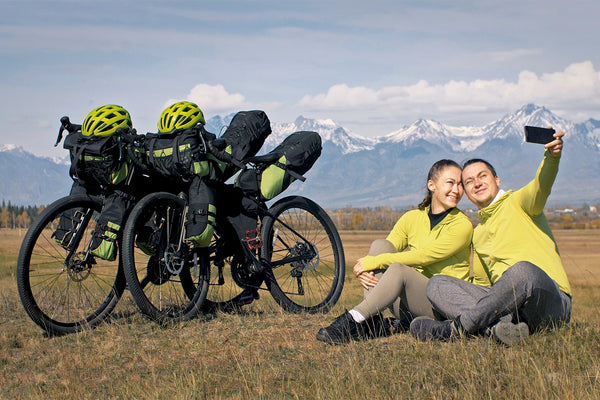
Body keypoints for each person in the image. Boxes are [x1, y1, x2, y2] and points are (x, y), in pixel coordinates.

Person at [410, 128, 572, 346]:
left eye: (482, 176)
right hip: (508, 310)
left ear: (497, 179)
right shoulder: (478, 234)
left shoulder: (520, 203)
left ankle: (458, 329)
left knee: (522, 271)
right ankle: (497, 330)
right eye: (468, 182)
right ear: (466, 193)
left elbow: (542, 185)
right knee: (437, 284)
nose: (476, 183)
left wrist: (551, 158)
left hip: (547, 302)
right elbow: (483, 286)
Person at [316, 159, 485, 344]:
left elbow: (424, 256)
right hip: (408, 303)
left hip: (441, 305)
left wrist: (373, 263)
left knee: (398, 268)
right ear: (432, 185)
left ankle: (354, 319)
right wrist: (368, 268)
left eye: (460, 184)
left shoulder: (462, 225)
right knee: (380, 245)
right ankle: (373, 321)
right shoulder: (412, 217)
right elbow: (385, 250)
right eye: (451, 183)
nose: (456, 190)